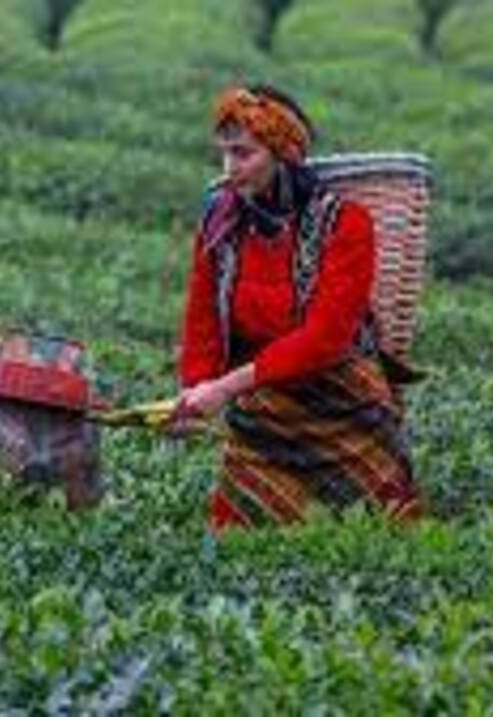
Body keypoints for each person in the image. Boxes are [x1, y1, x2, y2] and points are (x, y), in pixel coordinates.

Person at [174, 83, 424, 532]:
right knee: (238, 534)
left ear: (282, 154)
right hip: (264, 410)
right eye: (225, 154)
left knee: (384, 532)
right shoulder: (220, 221)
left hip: (346, 403)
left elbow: (325, 337)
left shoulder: (344, 222)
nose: (230, 168)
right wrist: (195, 390)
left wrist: (227, 386)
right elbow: (204, 318)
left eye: (244, 154)